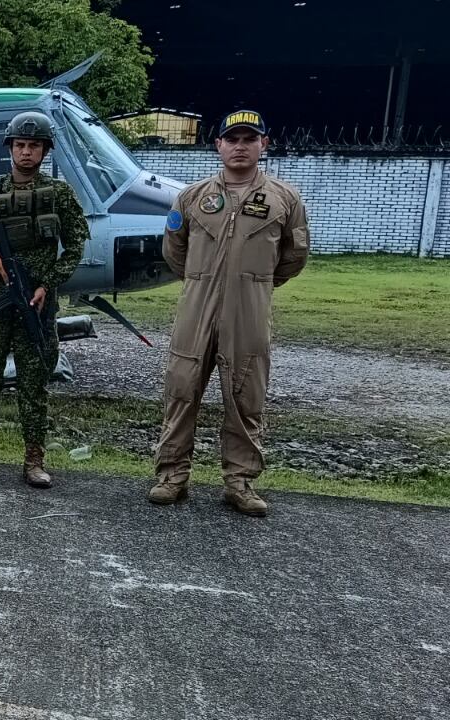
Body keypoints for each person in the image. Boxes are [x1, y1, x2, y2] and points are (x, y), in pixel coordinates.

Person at [148, 109, 310, 516]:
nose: (240, 146)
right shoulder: (192, 196)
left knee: (245, 392)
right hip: (197, 303)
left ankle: (240, 481)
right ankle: (172, 475)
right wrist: (204, 280)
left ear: (264, 145)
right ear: (218, 145)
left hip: (249, 307)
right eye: (232, 139)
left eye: (249, 139)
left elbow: (295, 254)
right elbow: (174, 249)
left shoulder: (283, 199)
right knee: (182, 387)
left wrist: (255, 283)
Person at [0, 111, 89, 488]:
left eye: (34, 146)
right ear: (10, 149)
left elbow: (74, 249)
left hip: (36, 302)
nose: (26, 152)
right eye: (20, 145)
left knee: (33, 381)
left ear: (44, 151)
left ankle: (34, 459)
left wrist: (47, 283)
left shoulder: (59, 195)